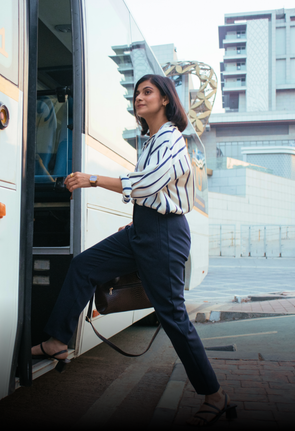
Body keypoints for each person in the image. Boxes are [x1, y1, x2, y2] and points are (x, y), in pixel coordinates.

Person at [31, 74, 236, 427]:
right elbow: (152, 193)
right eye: (136, 93)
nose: (138, 98)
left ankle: (215, 396)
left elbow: (150, 183)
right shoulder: (153, 140)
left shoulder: (172, 138)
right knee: (84, 266)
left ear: (165, 100)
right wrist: (137, 221)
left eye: (147, 92)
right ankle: (56, 342)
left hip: (164, 236)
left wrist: (92, 179)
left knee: (172, 316)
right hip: (143, 230)